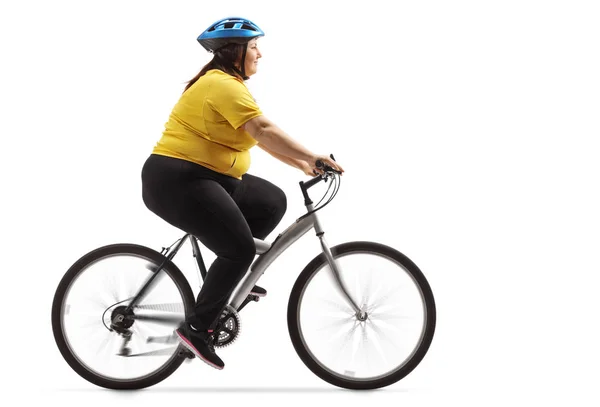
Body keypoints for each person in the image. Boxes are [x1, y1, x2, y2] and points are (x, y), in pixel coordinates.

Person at [140, 16, 344, 370]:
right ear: (235, 51)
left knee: (271, 202)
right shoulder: (220, 85)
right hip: (177, 179)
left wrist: (302, 166)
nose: (260, 54)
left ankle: (234, 280)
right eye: (253, 47)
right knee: (238, 248)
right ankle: (197, 327)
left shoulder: (229, 84)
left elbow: (255, 137)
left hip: (208, 176)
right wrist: (311, 154)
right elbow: (263, 129)